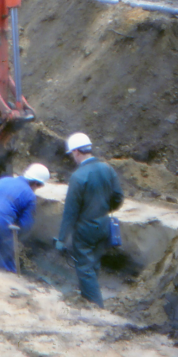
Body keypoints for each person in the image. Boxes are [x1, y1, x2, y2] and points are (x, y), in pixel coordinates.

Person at [54, 132, 124, 308]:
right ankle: (89, 295)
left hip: (85, 229)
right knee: (94, 264)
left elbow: (70, 212)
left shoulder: (78, 177)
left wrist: (61, 239)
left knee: (84, 268)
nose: (73, 158)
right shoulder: (107, 169)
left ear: (77, 152)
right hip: (104, 225)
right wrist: (104, 209)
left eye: (72, 154)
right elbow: (118, 197)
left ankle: (95, 306)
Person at [0, 163, 50, 273]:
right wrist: (13, 240)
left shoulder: (3, 180)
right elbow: (25, 225)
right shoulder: (30, 195)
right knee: (6, 269)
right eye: (40, 186)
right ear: (36, 183)